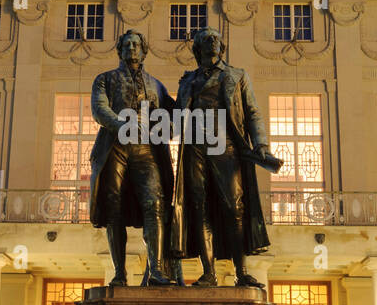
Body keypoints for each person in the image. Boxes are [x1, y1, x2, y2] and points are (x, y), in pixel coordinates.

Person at [170, 27, 280, 287]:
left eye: (216, 39)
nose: (212, 42)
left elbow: (252, 112)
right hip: (195, 147)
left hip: (227, 146)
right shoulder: (187, 81)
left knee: (235, 208)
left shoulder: (236, 76)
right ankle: (209, 273)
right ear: (197, 49)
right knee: (199, 208)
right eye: (206, 39)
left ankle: (242, 272)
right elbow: (174, 117)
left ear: (222, 47)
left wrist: (261, 143)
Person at [89, 29, 178, 286]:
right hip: (115, 145)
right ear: (119, 50)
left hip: (147, 149)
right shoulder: (104, 79)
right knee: (113, 209)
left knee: (155, 205)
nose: (131, 48)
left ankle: (157, 270)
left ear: (143, 50)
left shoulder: (157, 85)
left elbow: (177, 112)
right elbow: (99, 109)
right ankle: (119, 273)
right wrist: (120, 124)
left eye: (136, 44)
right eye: (126, 45)